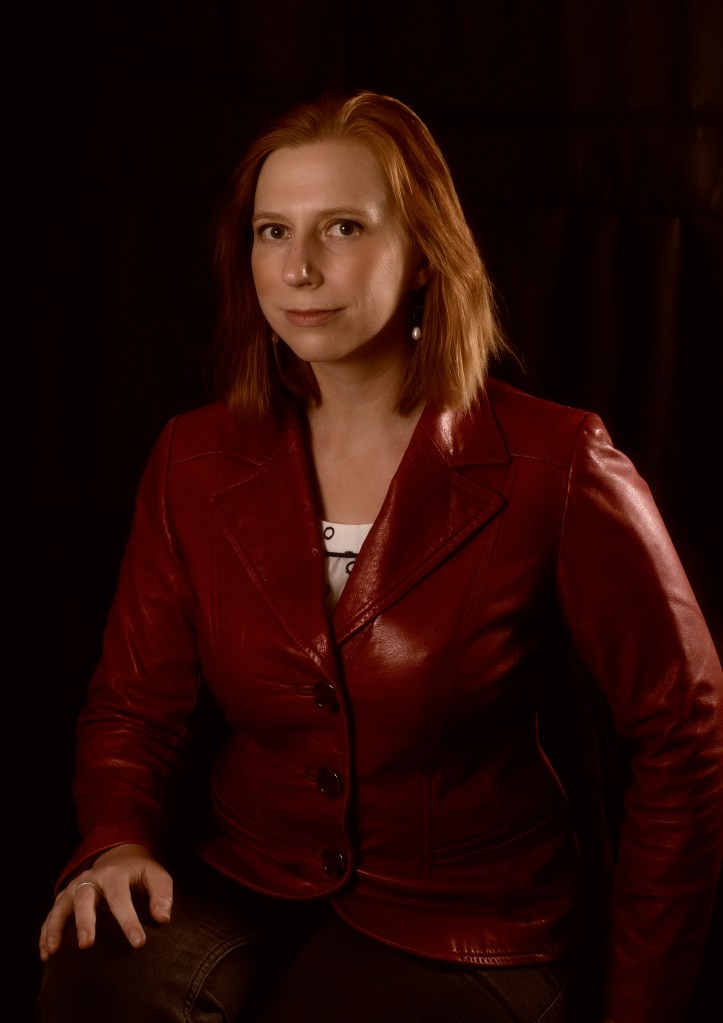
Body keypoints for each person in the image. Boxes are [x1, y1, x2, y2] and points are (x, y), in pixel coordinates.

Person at [36, 90, 722, 1023]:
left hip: (473, 913)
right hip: (246, 877)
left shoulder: (557, 460)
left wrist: (640, 1009)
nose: (299, 268)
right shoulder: (191, 457)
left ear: (426, 251)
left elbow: (683, 733)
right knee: (93, 980)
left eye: (343, 227)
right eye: (273, 231)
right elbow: (132, 703)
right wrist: (117, 835)